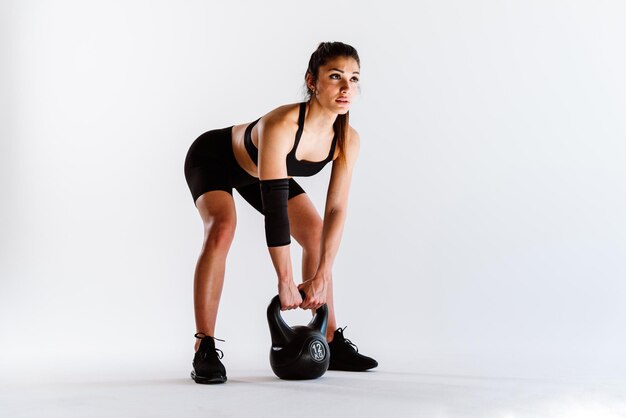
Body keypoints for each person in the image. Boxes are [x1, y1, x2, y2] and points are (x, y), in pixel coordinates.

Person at [183, 41, 378, 384]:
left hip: (259, 172)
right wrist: (285, 281)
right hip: (213, 159)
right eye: (336, 76)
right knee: (222, 228)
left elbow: (336, 208)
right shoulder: (282, 125)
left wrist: (322, 274)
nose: (347, 87)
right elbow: (276, 210)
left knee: (316, 233)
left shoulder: (347, 139)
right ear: (312, 81)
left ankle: (328, 341)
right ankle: (205, 346)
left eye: (354, 78)